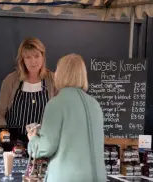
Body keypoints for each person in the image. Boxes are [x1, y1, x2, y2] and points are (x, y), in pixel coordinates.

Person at [27, 54, 106, 182]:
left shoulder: (56, 104)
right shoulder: (95, 104)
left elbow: (45, 147)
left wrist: (33, 139)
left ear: (61, 73)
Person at [0, 37, 56, 135]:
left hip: (43, 143)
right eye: (28, 57)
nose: (33, 61)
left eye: (36, 56)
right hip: (14, 143)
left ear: (43, 57)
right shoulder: (11, 80)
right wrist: (5, 133)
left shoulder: (53, 80)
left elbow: (60, 114)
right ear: (22, 60)